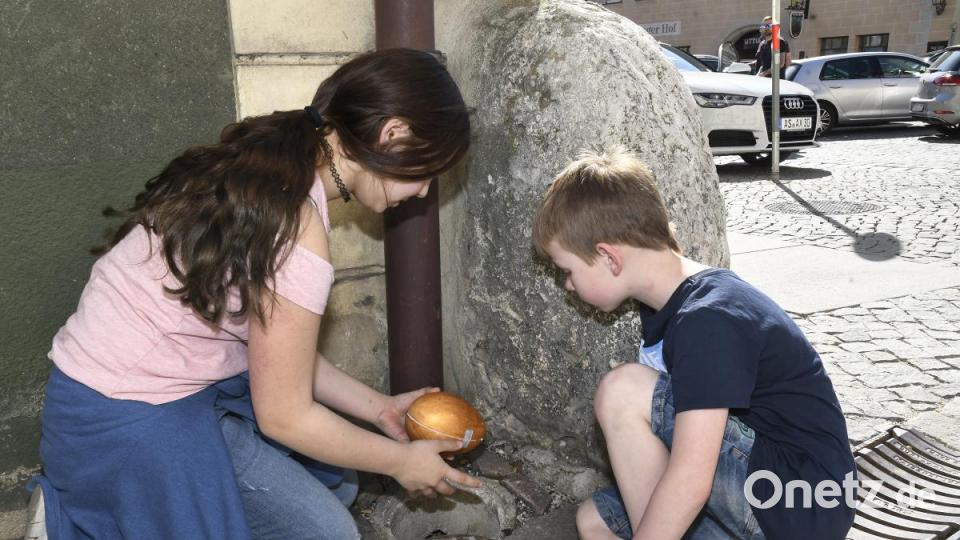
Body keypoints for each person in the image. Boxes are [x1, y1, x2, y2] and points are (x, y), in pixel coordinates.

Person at [26, 48, 481, 540]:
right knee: (332, 534)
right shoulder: (298, 231)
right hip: (123, 420)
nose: (422, 192)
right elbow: (285, 416)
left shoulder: (275, 161)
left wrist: (379, 408)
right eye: (427, 171)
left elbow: (282, 353)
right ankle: (66, 520)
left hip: (124, 393)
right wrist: (398, 461)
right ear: (394, 134)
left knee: (339, 486)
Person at [532, 148, 856, 540]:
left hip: (802, 506)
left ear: (608, 257)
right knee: (594, 521)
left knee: (622, 392)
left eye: (566, 271)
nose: (567, 284)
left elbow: (691, 477)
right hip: (761, 494)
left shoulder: (709, 319)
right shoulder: (673, 306)